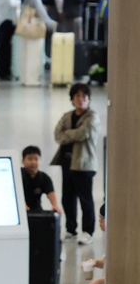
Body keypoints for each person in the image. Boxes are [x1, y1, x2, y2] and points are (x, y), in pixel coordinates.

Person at [52, 82, 99, 244]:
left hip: (84, 164)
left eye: (84, 96)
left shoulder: (92, 117)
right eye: (77, 96)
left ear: (89, 99)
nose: (81, 99)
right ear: (72, 99)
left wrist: (69, 133)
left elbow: (83, 134)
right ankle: (71, 230)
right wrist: (71, 134)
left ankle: (88, 231)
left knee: (85, 199)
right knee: (68, 198)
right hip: (67, 163)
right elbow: (58, 135)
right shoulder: (67, 116)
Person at [18, 145, 62, 216]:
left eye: (36, 159)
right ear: (23, 161)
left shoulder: (44, 177)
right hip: (20, 212)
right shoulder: (18, 174)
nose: (33, 162)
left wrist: (54, 205)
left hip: (36, 211)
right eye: (30, 159)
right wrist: (21, 205)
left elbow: (50, 192)